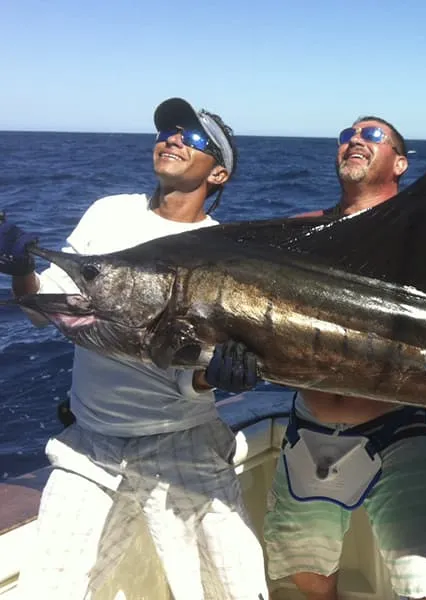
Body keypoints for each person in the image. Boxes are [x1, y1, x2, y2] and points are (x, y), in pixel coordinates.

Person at [0, 98, 269, 599]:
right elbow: (46, 308)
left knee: (237, 588)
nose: (172, 138)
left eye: (192, 138)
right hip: (90, 444)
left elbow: (198, 370)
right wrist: (20, 271)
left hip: (185, 440)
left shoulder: (225, 250)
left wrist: (221, 375)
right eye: (168, 131)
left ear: (219, 174)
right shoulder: (109, 212)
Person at [260, 117, 426, 600]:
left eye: (372, 136)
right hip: (308, 427)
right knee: (309, 579)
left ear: (401, 162)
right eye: (347, 135)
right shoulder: (304, 230)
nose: (354, 140)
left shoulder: (425, 241)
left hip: (395, 429)